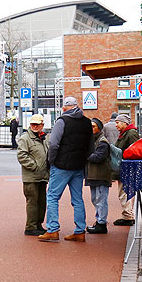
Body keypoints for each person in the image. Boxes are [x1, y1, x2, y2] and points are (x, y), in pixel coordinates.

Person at [39, 96, 92, 242]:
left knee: (52, 196)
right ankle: (80, 231)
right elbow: (90, 146)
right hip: (78, 166)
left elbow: (54, 144)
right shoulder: (87, 122)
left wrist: (51, 161)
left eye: (64, 107)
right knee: (77, 199)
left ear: (65, 107)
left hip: (62, 165)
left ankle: (53, 230)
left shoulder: (62, 121)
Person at [16, 114, 49, 235]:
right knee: (32, 202)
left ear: (42, 125)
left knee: (41, 202)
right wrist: (34, 166)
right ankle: (30, 227)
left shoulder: (44, 138)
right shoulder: (25, 138)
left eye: (37, 124)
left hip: (42, 176)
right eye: (33, 124)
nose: (35, 126)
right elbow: (22, 156)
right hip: (31, 177)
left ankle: (38, 224)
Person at [85, 118, 113, 234]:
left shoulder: (102, 142)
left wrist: (85, 155)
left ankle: (102, 223)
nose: (91, 129)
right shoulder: (91, 140)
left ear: (99, 128)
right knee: (95, 199)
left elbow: (98, 157)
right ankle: (99, 221)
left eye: (93, 126)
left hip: (101, 175)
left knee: (101, 200)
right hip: (93, 175)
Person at [113, 113, 139, 226]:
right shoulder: (125, 133)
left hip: (127, 168)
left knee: (124, 192)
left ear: (125, 123)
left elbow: (134, 149)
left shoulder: (131, 133)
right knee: (123, 192)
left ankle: (128, 216)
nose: (116, 125)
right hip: (124, 167)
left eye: (118, 122)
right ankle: (127, 215)